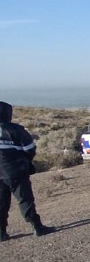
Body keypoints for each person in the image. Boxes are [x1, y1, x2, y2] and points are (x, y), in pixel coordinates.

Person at [0, 101, 55, 241]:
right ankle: (37, 227)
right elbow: (30, 148)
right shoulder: (16, 129)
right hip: (16, 170)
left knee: (1, 202)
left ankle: (1, 233)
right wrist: (25, 161)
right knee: (25, 200)